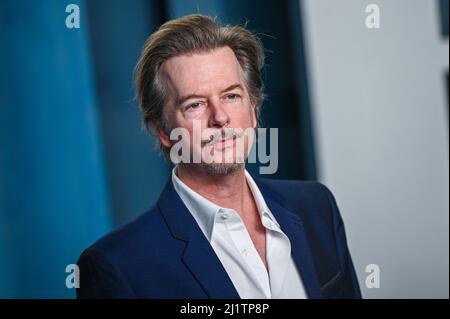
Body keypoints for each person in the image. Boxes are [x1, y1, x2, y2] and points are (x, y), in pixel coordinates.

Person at [76, 14, 361, 299]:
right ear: (162, 130)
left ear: (254, 109)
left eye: (231, 96)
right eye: (195, 104)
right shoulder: (116, 267)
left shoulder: (316, 207)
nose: (220, 118)